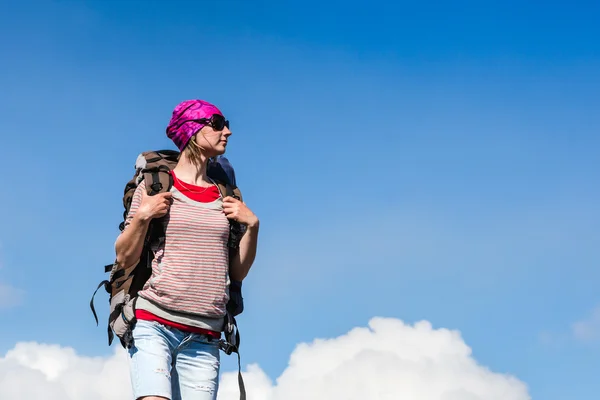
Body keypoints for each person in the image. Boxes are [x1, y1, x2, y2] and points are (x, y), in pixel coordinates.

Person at [114, 99, 260, 400]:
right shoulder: (155, 187)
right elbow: (124, 257)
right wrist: (142, 215)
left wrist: (253, 227)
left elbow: (237, 272)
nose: (228, 132)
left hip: (206, 334)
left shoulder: (227, 197)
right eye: (218, 124)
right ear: (192, 130)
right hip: (153, 321)